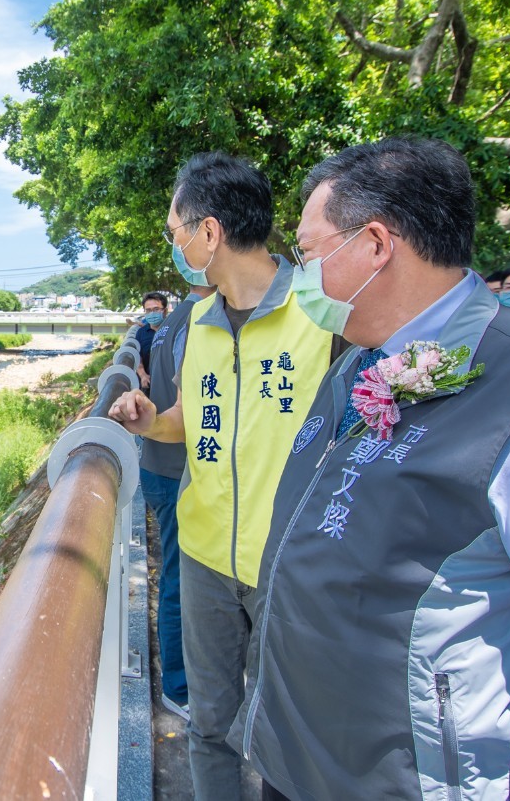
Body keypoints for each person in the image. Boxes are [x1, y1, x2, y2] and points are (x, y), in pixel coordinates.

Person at [228, 137, 510, 800]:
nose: (300, 274)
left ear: (377, 245)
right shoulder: (354, 368)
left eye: (307, 252)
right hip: (298, 764)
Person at [108, 152, 335, 801]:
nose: (174, 245)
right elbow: (192, 417)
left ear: (209, 233)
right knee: (209, 727)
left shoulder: (327, 312)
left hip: (288, 562)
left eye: (175, 230)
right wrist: (150, 418)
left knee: (292, 732)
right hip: (206, 555)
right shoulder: (200, 321)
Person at [139, 282, 215, 719]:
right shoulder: (198, 322)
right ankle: (179, 688)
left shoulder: (168, 323)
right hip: (175, 470)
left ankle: (182, 683)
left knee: (175, 576)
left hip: (160, 465)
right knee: (178, 581)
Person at [133, 291, 169, 389]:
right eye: (148, 310)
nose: (152, 313)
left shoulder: (173, 330)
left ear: (165, 311)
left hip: (171, 385)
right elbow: (137, 357)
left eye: (156, 309)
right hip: (150, 385)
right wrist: (143, 375)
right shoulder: (141, 333)